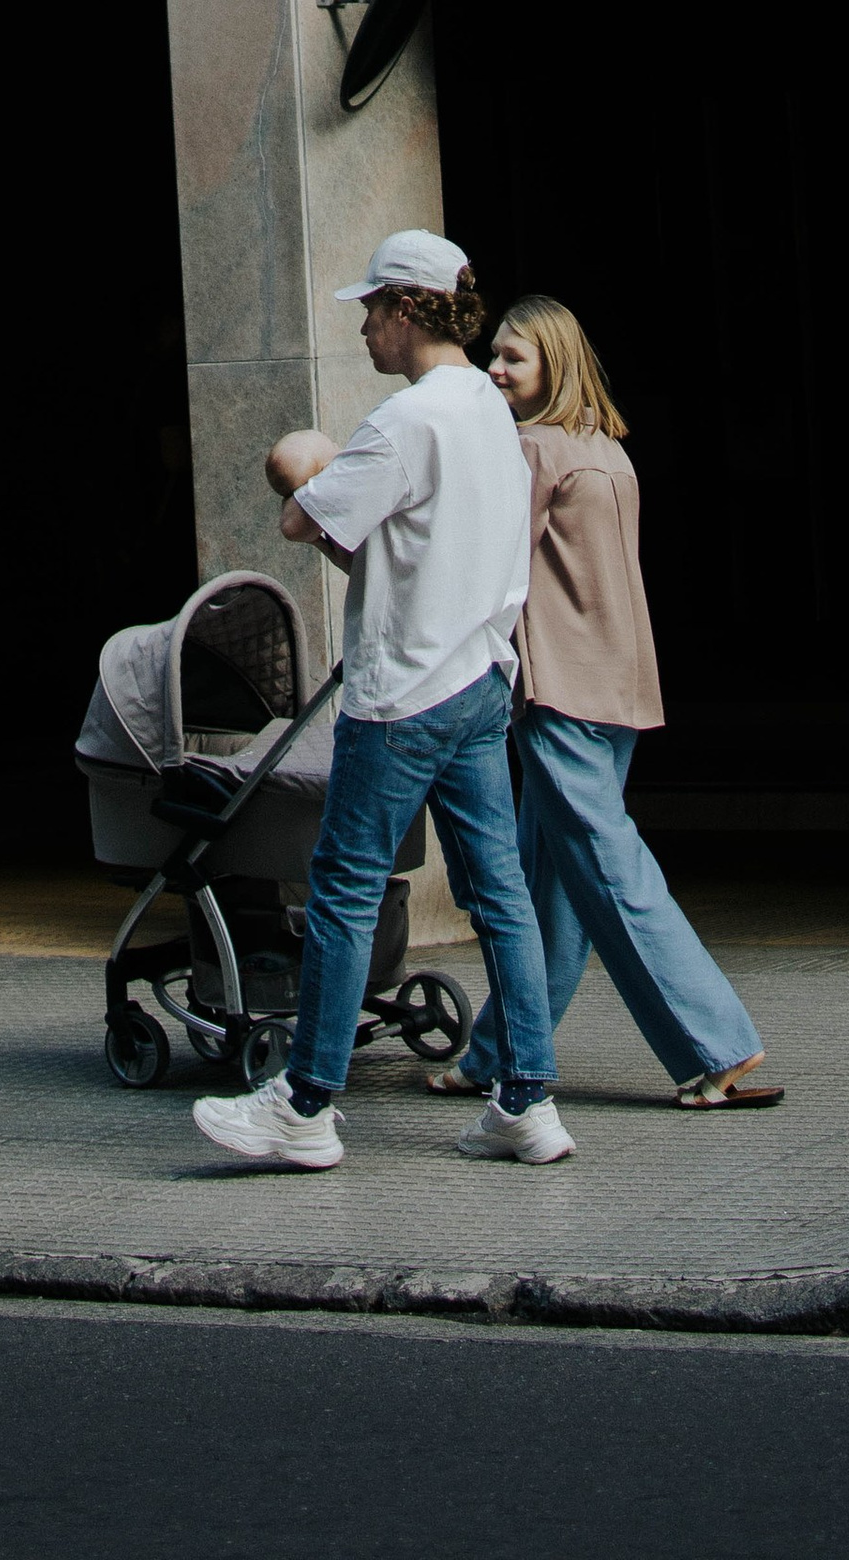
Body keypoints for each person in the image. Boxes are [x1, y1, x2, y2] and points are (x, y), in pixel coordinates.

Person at [191, 228, 572, 1173]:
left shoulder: (406, 423)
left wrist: (305, 463)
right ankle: (528, 1104)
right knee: (503, 900)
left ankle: (307, 1106)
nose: (363, 329)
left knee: (344, 891)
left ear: (407, 309)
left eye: (370, 310)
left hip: (404, 692)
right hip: (483, 681)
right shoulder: (487, 407)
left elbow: (300, 517)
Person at [432, 294, 780, 1113]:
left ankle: (717, 1043)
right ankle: (497, 1054)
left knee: (609, 870)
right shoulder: (607, 449)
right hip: (619, 686)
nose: (496, 368)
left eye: (514, 357)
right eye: (497, 356)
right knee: (552, 884)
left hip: (561, 690)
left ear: (554, 361)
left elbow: (485, 563)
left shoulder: (531, 451)